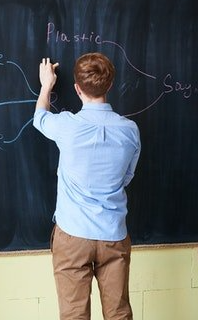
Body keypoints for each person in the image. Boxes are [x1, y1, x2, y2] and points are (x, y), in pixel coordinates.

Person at [33, 53, 141, 320]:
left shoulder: (67, 125)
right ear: (111, 85)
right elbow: (127, 177)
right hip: (113, 233)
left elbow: (40, 119)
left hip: (73, 234)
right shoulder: (130, 130)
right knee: (118, 314)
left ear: (77, 88)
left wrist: (46, 85)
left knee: (73, 315)